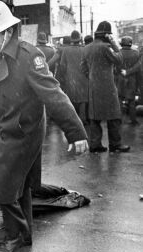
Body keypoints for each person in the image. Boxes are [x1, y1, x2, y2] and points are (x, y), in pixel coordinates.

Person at [0, 0, 88, 252]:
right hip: (10, 128)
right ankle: (23, 232)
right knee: (23, 185)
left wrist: (77, 132)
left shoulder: (29, 56)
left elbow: (54, 94)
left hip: (23, 133)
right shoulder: (1, 53)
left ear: (7, 32)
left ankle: (14, 235)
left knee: (2, 188)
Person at [81, 21, 130, 153]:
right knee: (114, 116)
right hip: (107, 87)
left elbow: (83, 67)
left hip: (93, 87)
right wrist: (114, 43)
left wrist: (92, 77)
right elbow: (119, 60)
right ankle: (115, 144)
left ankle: (95, 144)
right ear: (107, 35)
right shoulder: (105, 47)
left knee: (95, 117)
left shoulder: (87, 48)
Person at [59, 30, 89, 124]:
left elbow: (62, 65)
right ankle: (84, 120)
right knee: (83, 99)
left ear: (71, 39)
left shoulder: (66, 50)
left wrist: (64, 77)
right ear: (80, 39)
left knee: (72, 99)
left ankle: (74, 120)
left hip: (70, 78)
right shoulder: (85, 49)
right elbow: (88, 65)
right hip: (83, 78)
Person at [116, 36, 141, 125]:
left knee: (119, 100)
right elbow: (138, 67)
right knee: (131, 101)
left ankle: (119, 120)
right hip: (132, 80)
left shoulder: (118, 53)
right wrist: (128, 72)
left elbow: (115, 68)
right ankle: (133, 120)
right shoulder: (136, 53)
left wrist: (121, 71)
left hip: (120, 80)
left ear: (122, 43)